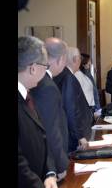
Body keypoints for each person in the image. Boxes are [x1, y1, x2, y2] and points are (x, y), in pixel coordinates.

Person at [18, 36, 57, 188]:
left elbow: (42, 136)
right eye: (45, 66)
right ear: (33, 68)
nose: (47, 71)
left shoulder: (28, 95)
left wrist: (49, 172)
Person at [30, 37, 70, 182]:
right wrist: (58, 166)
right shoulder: (47, 87)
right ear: (60, 60)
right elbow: (50, 130)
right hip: (51, 165)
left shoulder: (40, 82)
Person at [53, 47, 93, 152]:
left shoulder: (64, 75)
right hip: (73, 136)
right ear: (76, 59)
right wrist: (80, 136)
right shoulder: (68, 78)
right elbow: (70, 108)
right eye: (80, 58)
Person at [75, 53, 101, 119]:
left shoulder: (87, 73)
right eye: (89, 61)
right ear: (84, 62)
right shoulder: (77, 74)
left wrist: (97, 108)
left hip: (92, 107)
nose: (90, 63)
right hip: (86, 108)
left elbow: (94, 91)